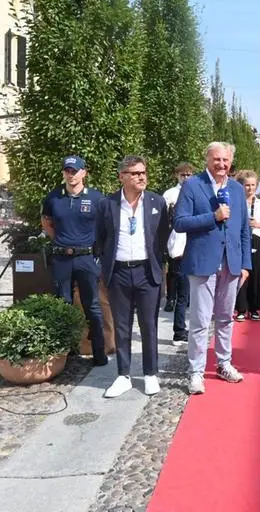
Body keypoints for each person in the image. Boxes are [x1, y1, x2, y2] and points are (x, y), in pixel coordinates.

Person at [174, 142, 252, 394]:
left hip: (231, 263)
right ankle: (196, 371)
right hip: (202, 263)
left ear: (231, 162)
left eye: (225, 160)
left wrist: (246, 265)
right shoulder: (192, 186)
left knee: (225, 318)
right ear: (207, 159)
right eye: (216, 159)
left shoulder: (237, 189)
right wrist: (213, 217)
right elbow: (180, 222)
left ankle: (223, 363)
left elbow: (243, 230)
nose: (221, 164)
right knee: (199, 320)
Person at [96, 155, 169, 398]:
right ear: (122, 177)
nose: (141, 177)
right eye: (135, 173)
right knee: (122, 326)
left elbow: (163, 237)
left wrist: (161, 266)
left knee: (149, 324)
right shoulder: (108, 205)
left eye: (143, 172)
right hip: (118, 272)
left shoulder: (157, 202)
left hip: (147, 272)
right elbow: (100, 239)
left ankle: (150, 374)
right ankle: (123, 375)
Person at [41, 155, 107, 366]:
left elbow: (105, 228)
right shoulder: (53, 197)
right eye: (68, 171)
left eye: (75, 171)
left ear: (83, 173)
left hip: (86, 258)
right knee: (63, 305)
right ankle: (67, 352)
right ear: (63, 173)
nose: (71, 175)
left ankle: (99, 351)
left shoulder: (97, 198)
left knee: (92, 306)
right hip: (62, 258)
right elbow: (46, 223)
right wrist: (60, 242)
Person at [162, 162, 195, 342]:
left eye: (189, 175)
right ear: (177, 175)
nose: (186, 178)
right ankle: (179, 330)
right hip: (177, 248)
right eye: (183, 175)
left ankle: (182, 328)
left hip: (192, 248)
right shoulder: (170, 194)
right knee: (181, 292)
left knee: (188, 293)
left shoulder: (195, 192)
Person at [234, 170, 260, 322]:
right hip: (241, 240)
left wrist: (257, 224)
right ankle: (241, 308)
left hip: (257, 238)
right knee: (242, 273)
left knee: (257, 274)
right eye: (247, 185)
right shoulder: (236, 202)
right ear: (241, 186)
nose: (250, 188)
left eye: (253, 185)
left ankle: (254, 308)